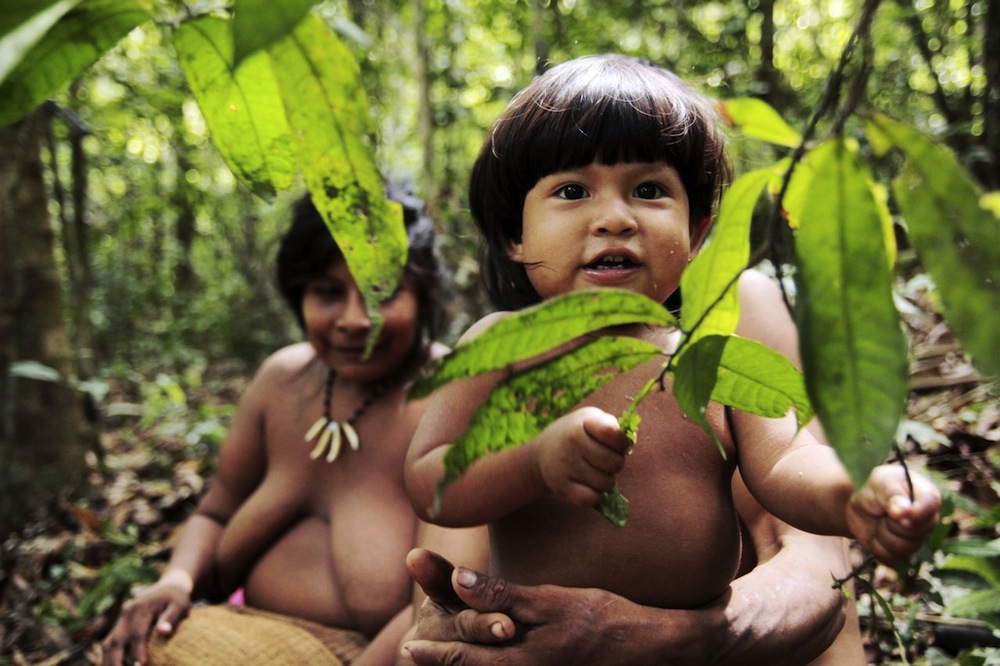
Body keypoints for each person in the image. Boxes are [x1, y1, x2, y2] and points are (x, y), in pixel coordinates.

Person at [401, 55, 940, 663]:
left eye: (649, 191)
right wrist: (534, 462)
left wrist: (857, 492)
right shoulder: (501, 348)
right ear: (513, 235)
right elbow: (430, 479)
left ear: (698, 231)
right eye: (572, 192)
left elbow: (789, 461)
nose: (615, 219)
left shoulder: (712, 358)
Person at [101, 186, 481, 666]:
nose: (355, 319)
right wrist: (175, 581)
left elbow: (441, 609)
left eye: (381, 292)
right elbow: (215, 513)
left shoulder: (453, 398)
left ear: (423, 295)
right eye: (328, 292)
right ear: (298, 293)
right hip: (231, 624)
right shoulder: (281, 381)